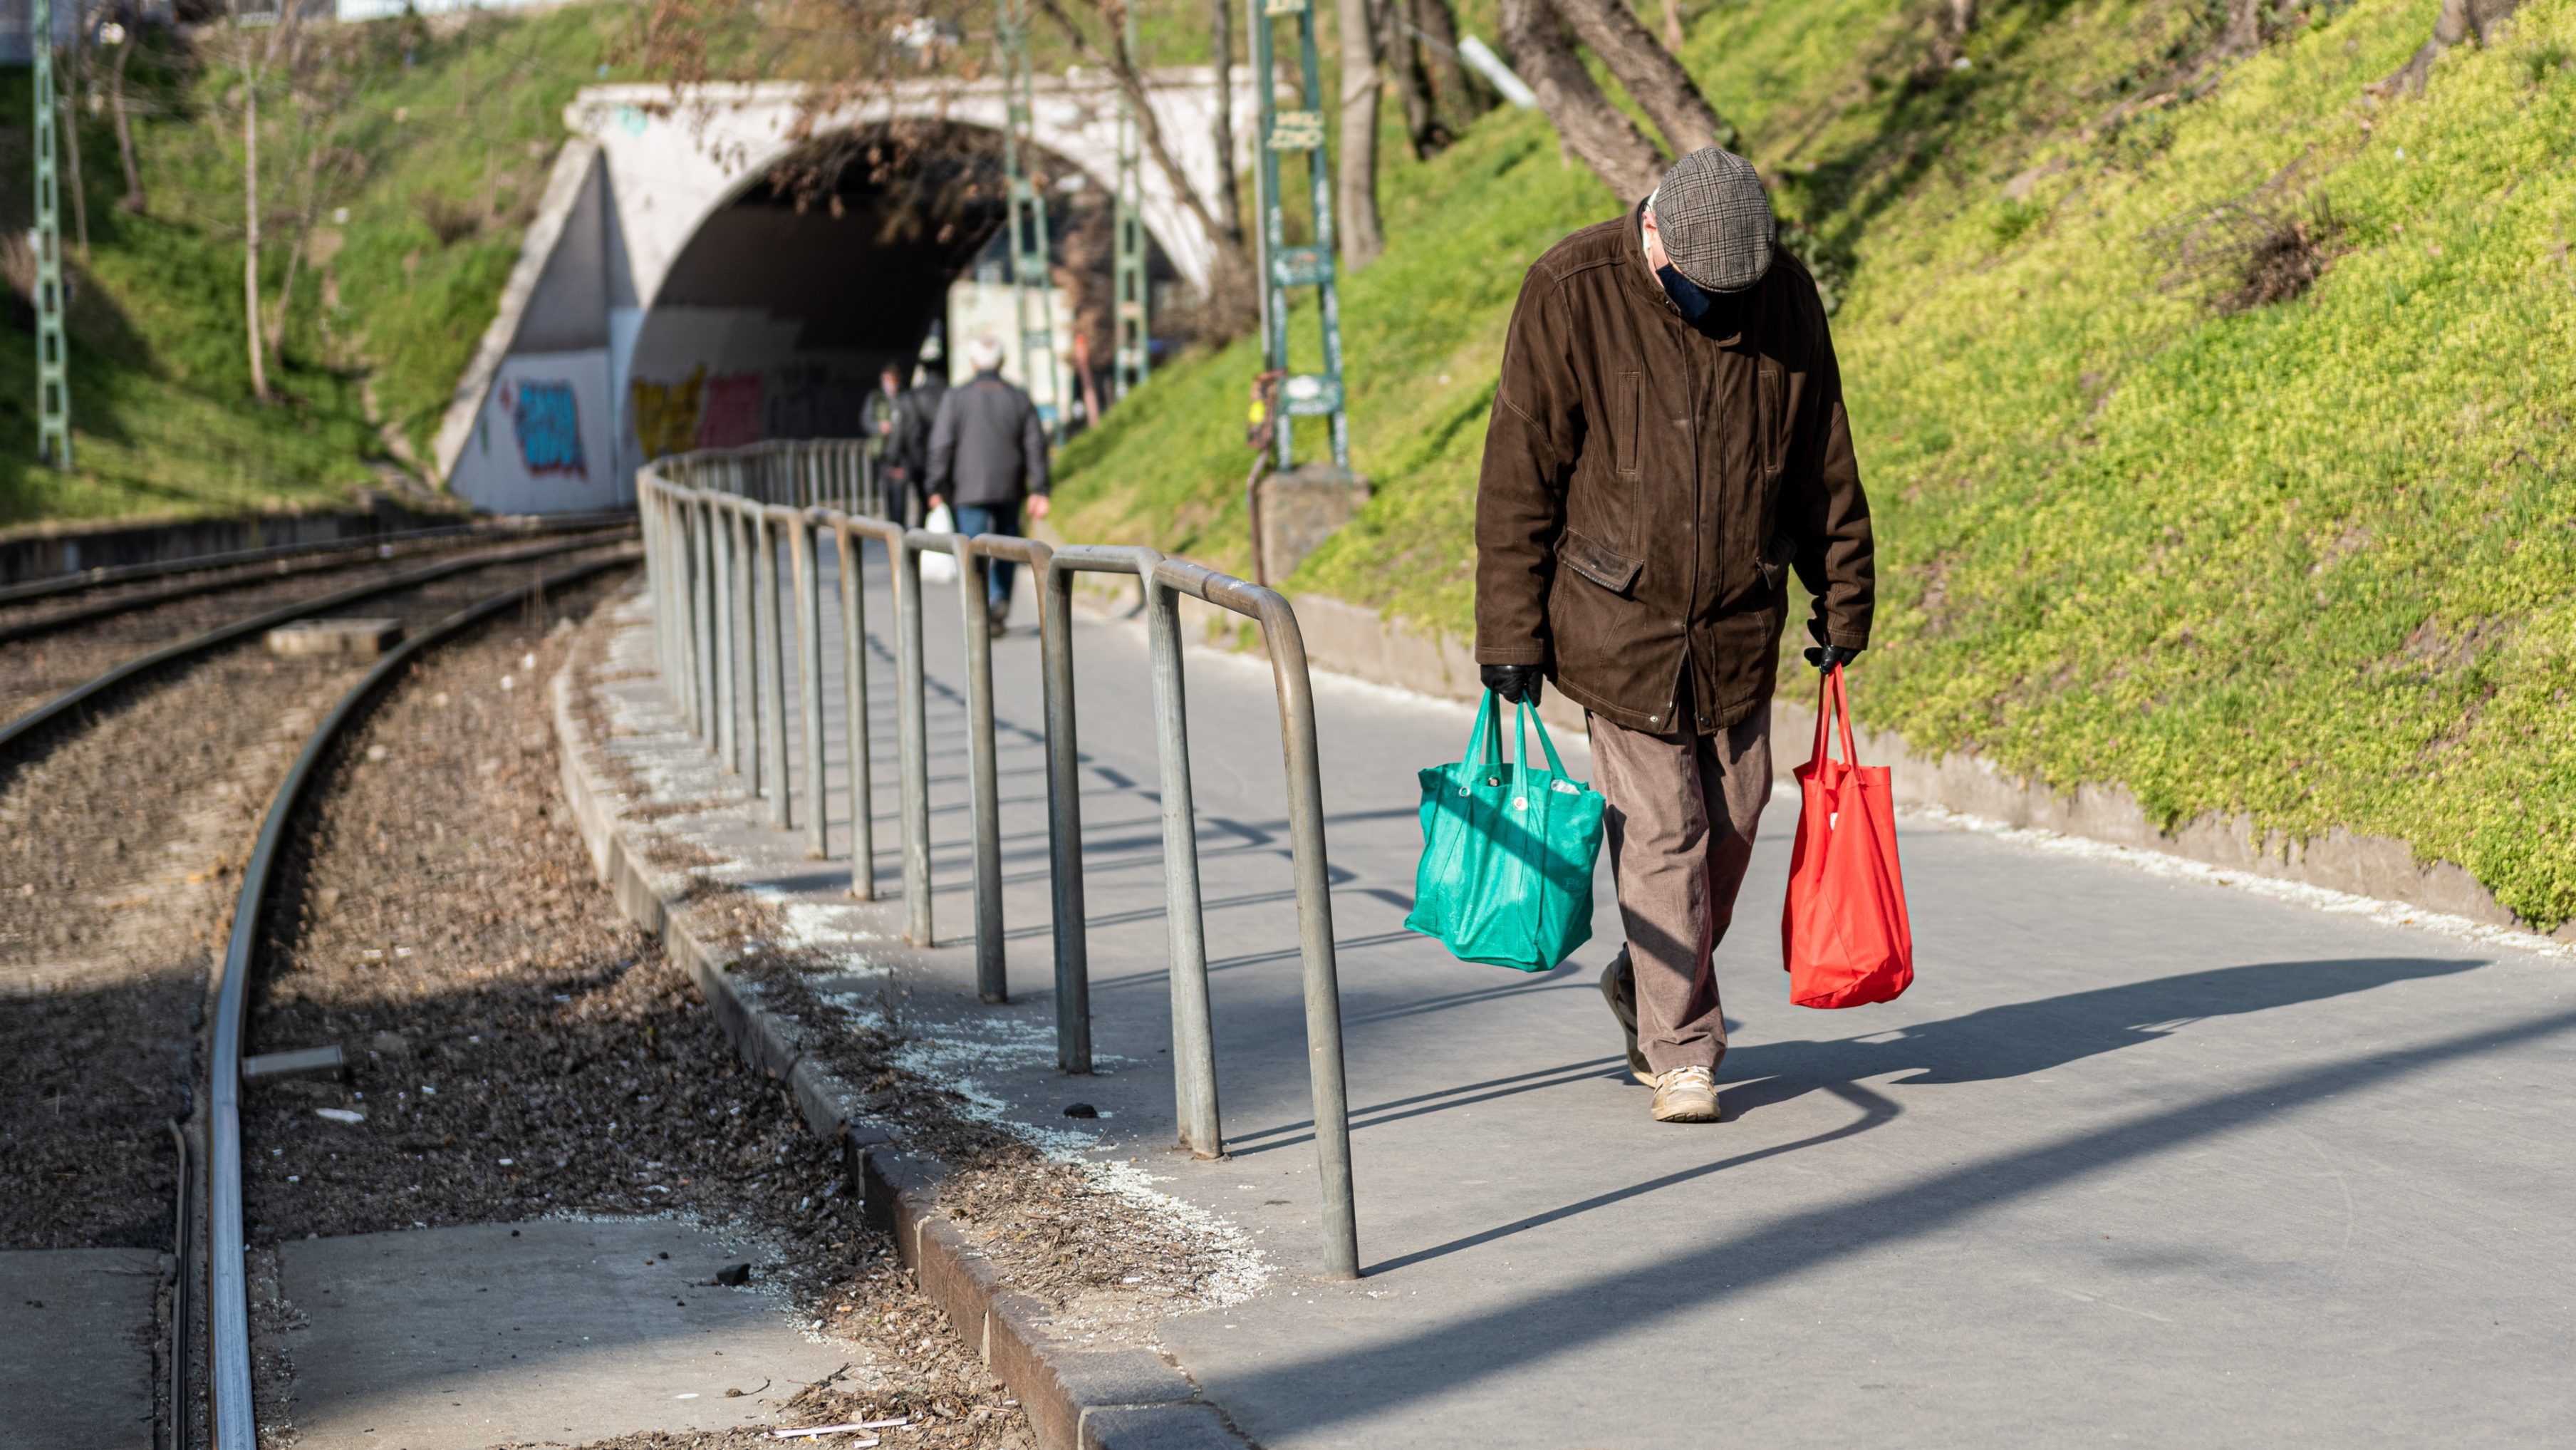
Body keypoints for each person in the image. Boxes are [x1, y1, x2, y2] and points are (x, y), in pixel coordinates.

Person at [1473, 146, 1875, 1124]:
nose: (1717, 307)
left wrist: (1845, 592)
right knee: (1666, 832)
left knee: (1735, 823)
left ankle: (1643, 976)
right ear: (1651, 233)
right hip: (1617, 622)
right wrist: (1509, 633)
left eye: (1732, 291)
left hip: (1738, 620)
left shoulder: (1784, 298)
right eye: (1698, 288)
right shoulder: (1570, 290)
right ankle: (1684, 1047)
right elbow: (1520, 470)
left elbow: (1824, 451)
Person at [926, 334, 1051, 637]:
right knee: (1008, 546)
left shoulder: (956, 399)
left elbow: (941, 445)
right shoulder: (1018, 397)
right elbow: (1035, 445)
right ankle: (1001, 601)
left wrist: (935, 485)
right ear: (1003, 361)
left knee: (976, 548)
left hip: (968, 489)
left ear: (972, 362)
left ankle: (989, 603)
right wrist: (1040, 489)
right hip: (1010, 486)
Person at [884, 361, 947, 527]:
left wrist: (893, 461)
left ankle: (916, 549)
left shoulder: (910, 398)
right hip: (947, 462)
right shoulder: (953, 395)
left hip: (919, 462)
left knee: (924, 507)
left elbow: (899, 433)